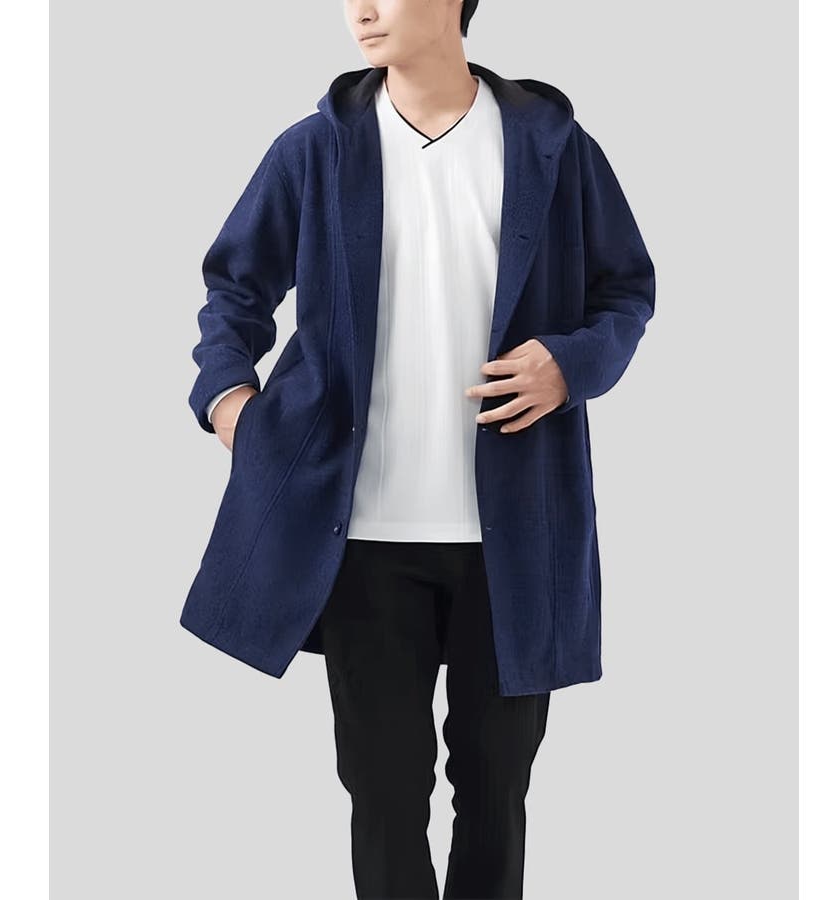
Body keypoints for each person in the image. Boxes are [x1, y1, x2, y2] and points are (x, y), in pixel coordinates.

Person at [181, 1, 655, 897]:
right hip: (360, 538)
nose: (360, 9)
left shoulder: (552, 147)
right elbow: (233, 288)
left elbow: (626, 288)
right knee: (385, 799)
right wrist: (228, 397)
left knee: (496, 793)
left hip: (514, 540)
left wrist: (570, 364)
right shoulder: (315, 149)